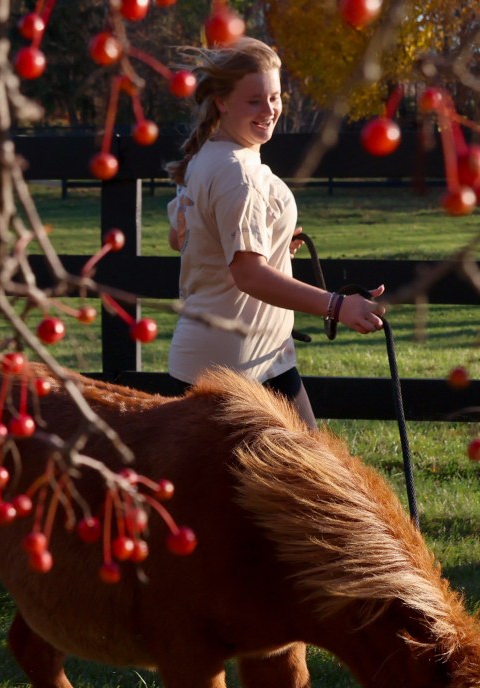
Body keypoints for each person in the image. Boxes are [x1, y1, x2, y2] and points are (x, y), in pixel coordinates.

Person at [165, 37, 386, 428]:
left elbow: (182, 239)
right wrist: (337, 306)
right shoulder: (238, 173)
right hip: (235, 369)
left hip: (254, 357)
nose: (269, 110)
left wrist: (272, 240)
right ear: (221, 101)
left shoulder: (206, 158)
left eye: (275, 97)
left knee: (309, 475)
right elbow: (247, 274)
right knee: (306, 484)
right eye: (254, 101)